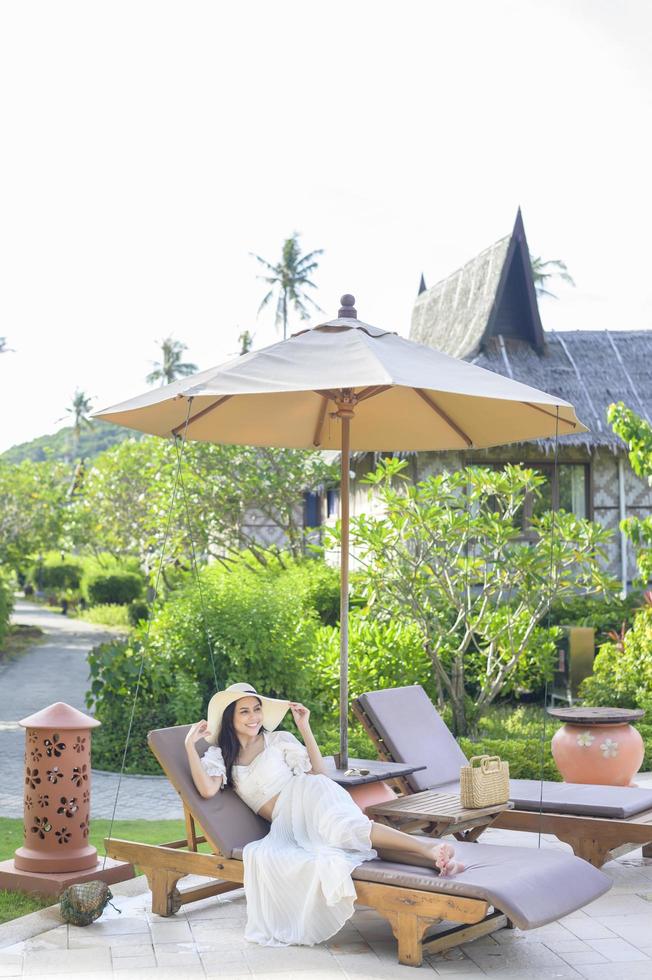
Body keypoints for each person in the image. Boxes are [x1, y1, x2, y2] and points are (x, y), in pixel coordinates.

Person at [186, 682, 464, 947]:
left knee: (346, 830)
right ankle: (435, 861)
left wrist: (304, 727)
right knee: (354, 847)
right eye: (244, 711)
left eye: (256, 709)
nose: (253, 717)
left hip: (310, 795)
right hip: (289, 823)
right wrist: (189, 746)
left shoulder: (278, 739)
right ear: (229, 717)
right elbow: (208, 790)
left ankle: (428, 847)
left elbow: (318, 772)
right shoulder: (220, 755)